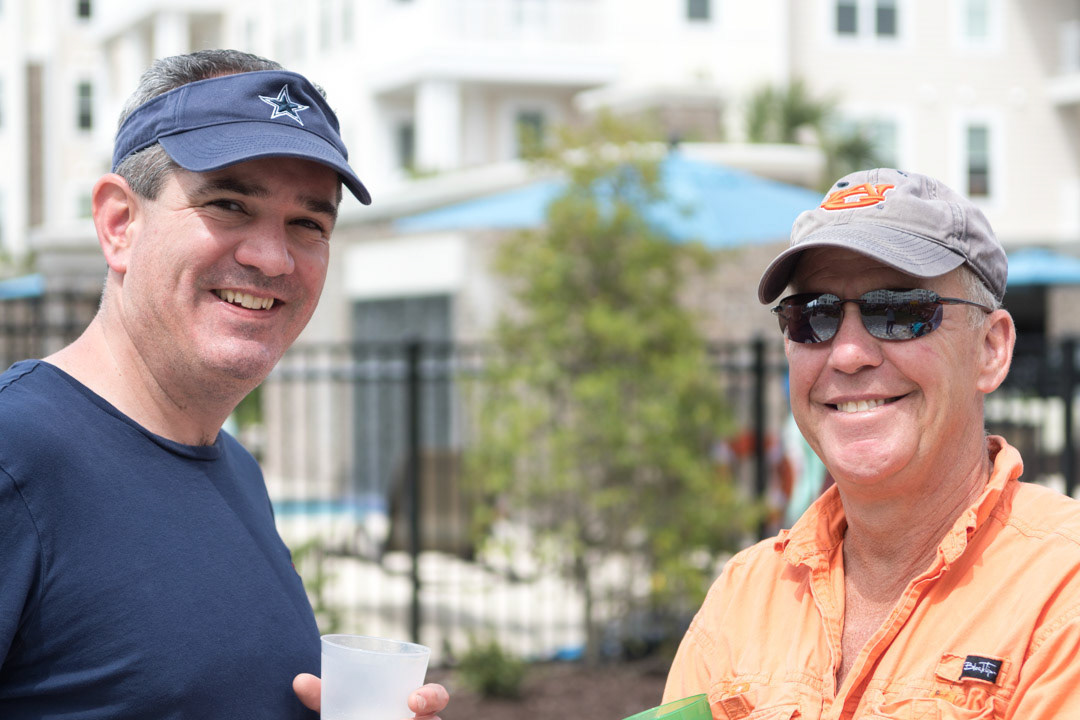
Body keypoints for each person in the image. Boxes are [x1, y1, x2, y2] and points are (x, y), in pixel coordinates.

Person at [0, 50, 449, 719]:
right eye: (229, 204)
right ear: (120, 224)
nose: (272, 257)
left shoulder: (234, 468)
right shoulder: (16, 456)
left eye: (308, 223)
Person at [664, 168, 1080, 718]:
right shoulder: (744, 598)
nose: (847, 354)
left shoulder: (1062, 588)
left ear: (991, 349)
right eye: (813, 316)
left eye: (898, 311)